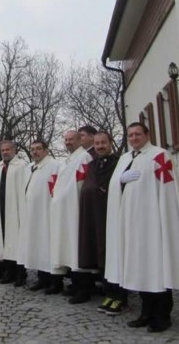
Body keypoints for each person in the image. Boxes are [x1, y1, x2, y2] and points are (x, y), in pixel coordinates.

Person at [105, 123, 179, 333]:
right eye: (130, 135)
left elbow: (167, 191)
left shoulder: (159, 155)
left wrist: (163, 221)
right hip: (131, 224)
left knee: (157, 268)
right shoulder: (125, 158)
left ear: (147, 135)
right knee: (140, 269)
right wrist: (119, 181)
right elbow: (115, 187)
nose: (134, 137)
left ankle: (162, 316)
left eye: (138, 134)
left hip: (153, 224)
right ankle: (146, 313)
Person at [77, 132, 127, 314]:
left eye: (103, 142)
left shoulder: (119, 163)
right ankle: (109, 293)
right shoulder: (92, 165)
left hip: (111, 216)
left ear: (111, 143)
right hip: (94, 217)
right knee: (100, 256)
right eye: (97, 143)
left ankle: (120, 296)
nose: (99, 146)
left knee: (114, 254)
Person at [49, 130, 94, 301]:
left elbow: (81, 184)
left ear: (79, 140)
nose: (68, 142)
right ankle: (75, 284)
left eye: (71, 139)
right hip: (64, 211)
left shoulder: (84, 158)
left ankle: (84, 289)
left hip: (75, 210)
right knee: (69, 248)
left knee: (77, 248)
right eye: (65, 140)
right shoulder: (65, 161)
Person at [16, 140, 60, 291]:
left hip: (46, 212)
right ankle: (42, 278)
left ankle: (55, 281)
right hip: (32, 214)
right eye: (32, 149)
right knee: (38, 246)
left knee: (48, 245)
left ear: (46, 150)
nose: (35, 152)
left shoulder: (54, 165)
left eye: (38, 149)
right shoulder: (30, 168)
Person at [0, 140, 27, 285]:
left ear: (14, 150)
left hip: (15, 209)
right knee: (3, 240)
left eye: (8, 149)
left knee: (15, 241)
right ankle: (8, 272)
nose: (5, 152)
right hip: (0, 208)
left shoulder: (21, 166)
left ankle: (20, 274)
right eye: (2, 150)